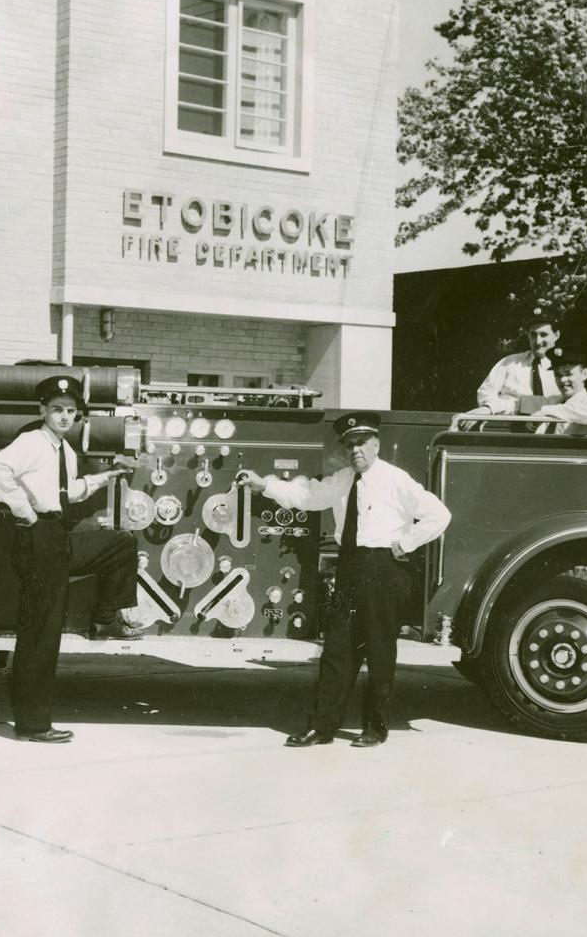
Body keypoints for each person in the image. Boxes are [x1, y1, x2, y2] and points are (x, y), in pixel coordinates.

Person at [236, 412, 451, 749]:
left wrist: (405, 543)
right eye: (349, 444)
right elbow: (306, 497)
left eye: (362, 443)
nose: (355, 450)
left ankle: (375, 728)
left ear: (376, 444)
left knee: (379, 652)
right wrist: (264, 484)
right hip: (350, 566)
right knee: (337, 650)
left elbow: (439, 514)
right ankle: (322, 728)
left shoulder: (396, 479)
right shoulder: (342, 480)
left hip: (382, 568)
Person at [0, 375, 140, 743]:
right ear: (43, 410)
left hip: (56, 537)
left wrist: (106, 478)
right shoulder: (32, 442)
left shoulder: (64, 450)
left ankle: (104, 619)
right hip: (37, 537)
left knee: (120, 545)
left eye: (71, 411)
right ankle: (33, 725)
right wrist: (26, 512)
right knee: (41, 632)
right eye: (57, 410)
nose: (65, 416)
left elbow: (67, 493)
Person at [474, 305, 561, 414]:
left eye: (544, 335)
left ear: (556, 335)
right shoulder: (509, 363)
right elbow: (486, 391)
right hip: (509, 425)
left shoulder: (565, 368)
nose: (538, 341)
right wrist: (490, 408)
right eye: (533, 335)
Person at [528, 347, 587, 434]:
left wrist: (546, 411)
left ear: (584, 374)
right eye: (557, 375)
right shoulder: (551, 402)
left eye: (568, 374)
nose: (562, 380)